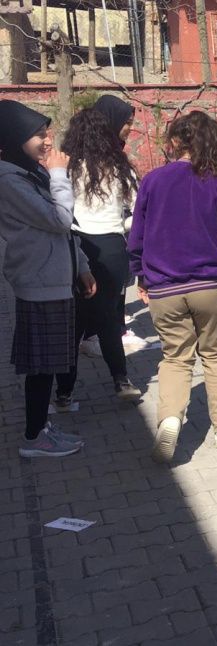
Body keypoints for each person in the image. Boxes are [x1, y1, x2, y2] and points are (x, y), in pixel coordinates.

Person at [129, 110, 217, 463]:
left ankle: (170, 417)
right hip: (209, 285)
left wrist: (139, 274)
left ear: (175, 142)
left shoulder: (152, 181)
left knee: (175, 357)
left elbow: (138, 233)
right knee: (216, 354)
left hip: (163, 287)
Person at [0, 100, 95, 458]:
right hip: (38, 282)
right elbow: (58, 219)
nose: (47, 140)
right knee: (41, 366)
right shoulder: (9, 180)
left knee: (51, 361)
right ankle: (33, 438)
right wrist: (59, 174)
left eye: (46, 132)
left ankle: (40, 427)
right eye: (38, 134)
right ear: (14, 137)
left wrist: (81, 265)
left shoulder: (27, 171)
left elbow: (64, 231)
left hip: (56, 276)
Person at [56, 108, 142, 405]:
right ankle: (121, 380)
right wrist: (121, 226)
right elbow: (138, 212)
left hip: (77, 245)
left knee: (75, 322)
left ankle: (64, 392)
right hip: (112, 248)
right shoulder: (121, 168)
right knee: (107, 316)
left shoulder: (67, 168)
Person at [90, 94, 147, 352]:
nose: (130, 128)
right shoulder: (94, 158)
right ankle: (101, 333)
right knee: (107, 287)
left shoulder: (114, 154)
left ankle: (115, 327)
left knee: (119, 285)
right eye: (127, 122)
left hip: (119, 231)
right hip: (103, 233)